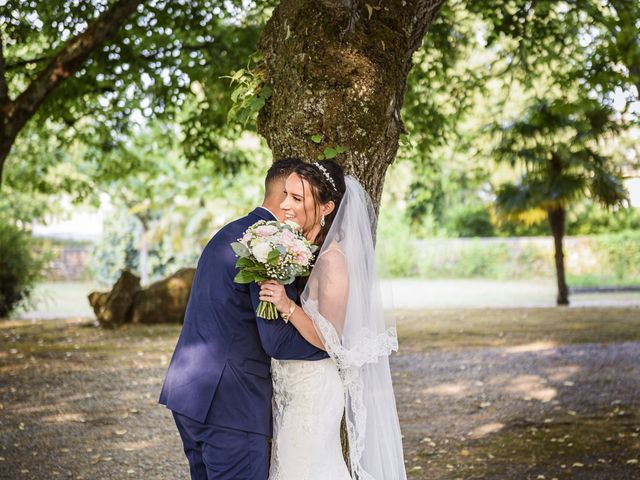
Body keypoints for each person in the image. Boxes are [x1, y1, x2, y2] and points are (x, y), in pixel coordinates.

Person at [159, 158, 329, 480]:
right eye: (293, 197)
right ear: (282, 195)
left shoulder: (229, 234)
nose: (294, 207)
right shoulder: (268, 246)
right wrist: (332, 348)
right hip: (231, 407)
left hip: (189, 392)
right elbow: (275, 339)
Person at [259, 160, 407, 480]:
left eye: (297, 199)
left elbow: (332, 339)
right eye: (286, 195)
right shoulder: (301, 248)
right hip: (290, 386)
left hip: (313, 391)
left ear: (326, 207)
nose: (285, 205)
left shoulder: (332, 260)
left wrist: (287, 306)